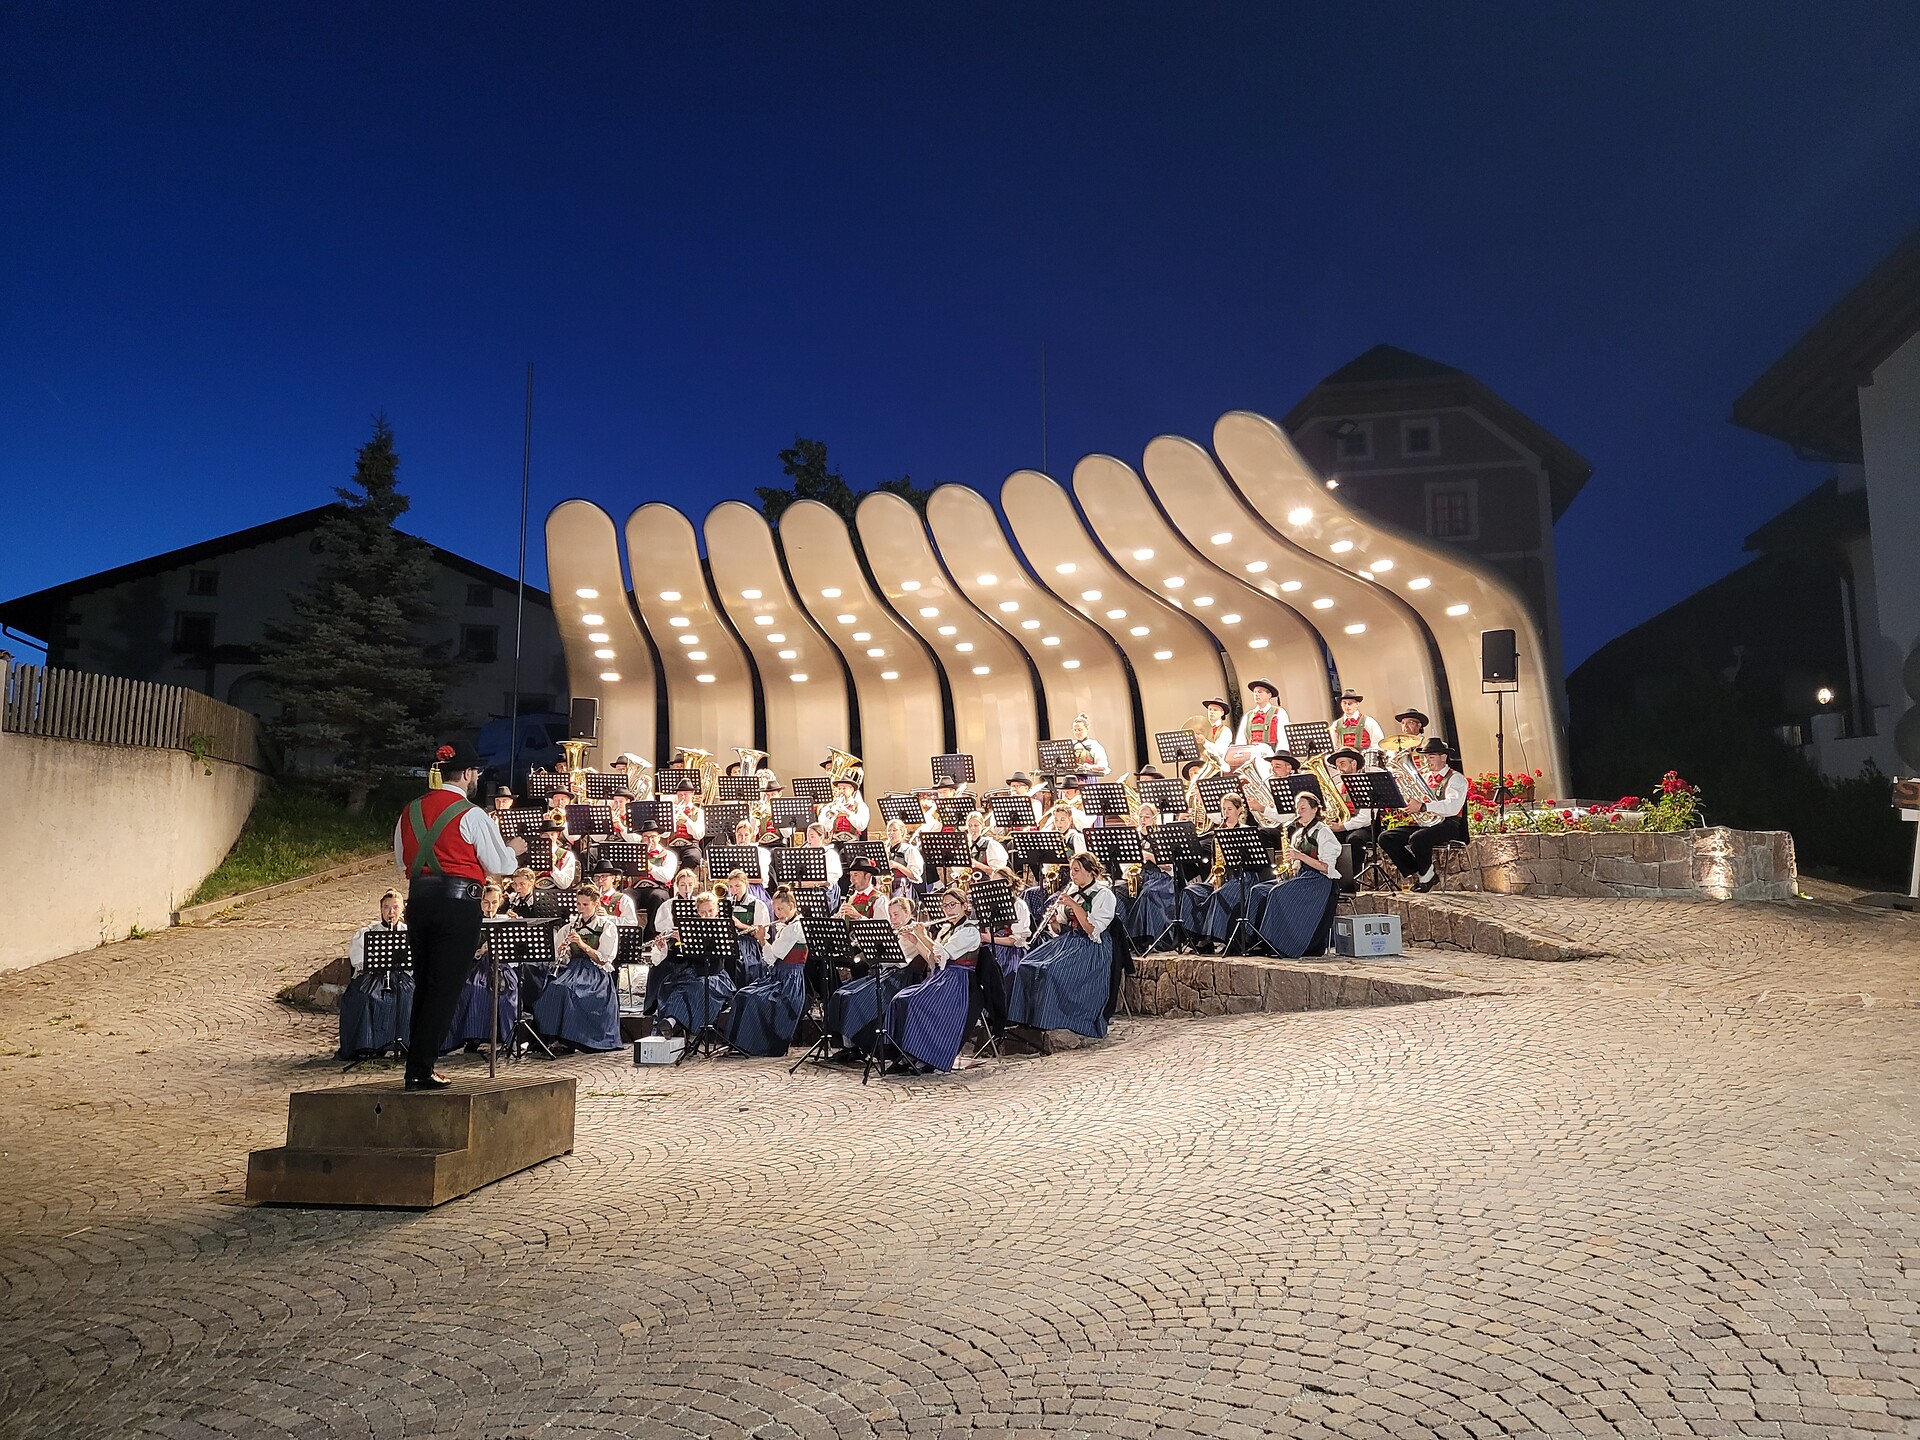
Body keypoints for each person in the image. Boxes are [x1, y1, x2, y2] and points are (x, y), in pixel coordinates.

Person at [392, 740, 520, 1089]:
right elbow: (499, 865)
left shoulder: (410, 810)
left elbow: (403, 861)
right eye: (476, 772)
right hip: (458, 906)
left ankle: (417, 1066)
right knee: (445, 988)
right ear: (466, 774)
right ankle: (420, 1069)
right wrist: (515, 849)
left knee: (426, 984)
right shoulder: (472, 814)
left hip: (419, 904)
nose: (476, 777)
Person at [1010, 854, 1124, 1040]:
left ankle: (1054, 1020)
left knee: (1050, 971)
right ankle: (1026, 1019)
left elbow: (1091, 929)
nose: (1072, 874)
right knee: (1027, 964)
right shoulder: (1072, 889)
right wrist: (1053, 922)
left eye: (1076, 870)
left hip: (1092, 947)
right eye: (1071, 870)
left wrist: (1072, 904)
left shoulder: (1104, 894)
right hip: (1069, 941)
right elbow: (1060, 929)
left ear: (1090, 871)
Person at [886, 886, 982, 1073]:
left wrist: (922, 935)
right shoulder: (946, 929)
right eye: (945, 906)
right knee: (900, 999)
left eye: (953, 905)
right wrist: (915, 940)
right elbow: (933, 960)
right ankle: (905, 1054)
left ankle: (925, 1056)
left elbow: (943, 954)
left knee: (915, 1003)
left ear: (964, 906)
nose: (949, 910)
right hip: (941, 977)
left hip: (959, 981)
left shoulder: (970, 931)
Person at [1249, 790, 1343, 957]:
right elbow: (1297, 864)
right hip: (1302, 876)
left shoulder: (1323, 832)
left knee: (1278, 892)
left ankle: (1283, 943)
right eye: (1297, 809)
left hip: (1319, 880)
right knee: (1258, 890)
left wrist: (1300, 856)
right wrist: (1293, 866)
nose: (1299, 812)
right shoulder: (1298, 834)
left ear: (1315, 809)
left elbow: (1327, 868)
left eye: (1303, 808)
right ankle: (1258, 940)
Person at [1180, 792, 1272, 954]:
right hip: (1222, 877)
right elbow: (1215, 865)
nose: (1225, 813)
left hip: (1243, 877)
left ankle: (1213, 937)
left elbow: (1257, 864)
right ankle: (1194, 936)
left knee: (1218, 895)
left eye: (1229, 809)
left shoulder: (1246, 831)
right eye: (1223, 809)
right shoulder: (1217, 834)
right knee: (1190, 891)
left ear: (1239, 810)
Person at [532, 888, 622, 1052]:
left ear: (596, 904)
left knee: (568, 991)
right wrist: (563, 951)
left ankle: (572, 1039)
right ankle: (552, 1037)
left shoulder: (606, 927)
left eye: (585, 905)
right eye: (578, 904)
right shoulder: (570, 927)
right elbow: (564, 960)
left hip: (595, 974)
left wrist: (582, 945)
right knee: (551, 987)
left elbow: (604, 959)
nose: (580, 908)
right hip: (572, 969)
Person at [724, 887, 809, 1057]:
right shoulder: (786, 926)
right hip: (778, 976)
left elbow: (775, 954)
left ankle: (758, 1045)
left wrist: (762, 939)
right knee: (742, 994)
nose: (777, 914)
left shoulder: (795, 928)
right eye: (775, 910)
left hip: (789, 982)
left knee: (754, 998)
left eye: (781, 909)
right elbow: (771, 960)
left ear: (792, 906)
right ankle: (738, 1043)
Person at [1378, 738, 1470, 893]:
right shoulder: (1425, 777)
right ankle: (1422, 872)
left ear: (1443, 757)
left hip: (1450, 824)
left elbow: (1453, 807)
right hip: (1427, 823)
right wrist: (1401, 793)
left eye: (1431, 756)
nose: (1427, 760)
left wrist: (1423, 806)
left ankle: (1425, 878)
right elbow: (1415, 802)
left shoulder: (1456, 778)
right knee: (1386, 837)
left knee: (1418, 838)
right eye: (1425, 757)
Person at [336, 888, 413, 1060]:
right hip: (373, 976)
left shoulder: (409, 933)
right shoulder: (367, 932)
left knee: (408, 995)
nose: (390, 912)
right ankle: (367, 1044)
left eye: (395, 907)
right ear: (381, 910)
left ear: (401, 911)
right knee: (363, 996)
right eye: (386, 907)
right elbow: (357, 959)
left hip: (400, 976)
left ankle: (405, 1043)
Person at [649, 890, 736, 1040]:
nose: (707, 915)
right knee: (674, 989)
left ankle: (673, 1022)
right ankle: (670, 1022)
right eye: (703, 912)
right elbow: (676, 959)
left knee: (697, 989)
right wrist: (664, 946)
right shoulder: (690, 927)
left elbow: (713, 963)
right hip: (690, 974)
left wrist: (686, 942)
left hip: (714, 976)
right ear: (697, 912)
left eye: (710, 911)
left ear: (717, 910)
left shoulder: (723, 928)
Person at [444, 883, 519, 1052]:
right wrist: (479, 951)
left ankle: (500, 1038)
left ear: (500, 902)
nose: (489, 907)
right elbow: (460, 953)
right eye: (485, 902)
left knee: (503, 992)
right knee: (472, 988)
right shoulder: (470, 922)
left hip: (501, 969)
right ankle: (474, 1036)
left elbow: (515, 955)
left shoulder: (505, 921)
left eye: (493, 902)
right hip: (475, 967)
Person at [1128, 805, 1180, 950]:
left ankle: (1146, 938)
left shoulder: (1160, 837)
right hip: (1140, 875)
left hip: (1160, 877)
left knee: (1147, 893)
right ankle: (1126, 939)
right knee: (1118, 893)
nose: (1143, 820)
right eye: (1141, 817)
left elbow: (1168, 866)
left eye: (1147, 817)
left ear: (1154, 819)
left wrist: (1150, 856)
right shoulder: (1134, 836)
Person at [1326, 747, 1375, 884]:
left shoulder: (1365, 783)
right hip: (1344, 825)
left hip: (1365, 827)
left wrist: (1341, 827)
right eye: (1337, 765)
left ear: (1353, 764)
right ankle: (1331, 879)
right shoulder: (1338, 787)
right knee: (1326, 837)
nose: (1339, 768)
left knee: (1354, 839)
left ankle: (1351, 880)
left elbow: (1366, 818)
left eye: (1342, 763)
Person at [724, 870, 770, 981]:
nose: (734, 890)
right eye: (731, 887)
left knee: (742, 969)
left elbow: (761, 933)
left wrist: (740, 925)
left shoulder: (757, 904)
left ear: (746, 884)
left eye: (737, 886)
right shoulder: (727, 903)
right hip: (729, 943)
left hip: (748, 945)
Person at [667, 779, 706, 873]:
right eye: (680, 795)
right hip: (673, 845)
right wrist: (670, 821)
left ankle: (678, 882)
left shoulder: (699, 812)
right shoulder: (670, 810)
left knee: (692, 858)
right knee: (665, 859)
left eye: (685, 794)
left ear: (692, 793)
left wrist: (687, 820)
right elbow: (664, 835)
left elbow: (699, 835)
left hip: (691, 845)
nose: (682, 797)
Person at [1237, 680, 1289, 750]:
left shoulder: (1279, 713)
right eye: (1255, 692)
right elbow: (1241, 740)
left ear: (1269, 695)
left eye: (1260, 692)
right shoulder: (1248, 716)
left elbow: (1283, 739)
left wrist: (1278, 758)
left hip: (1271, 755)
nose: (1256, 694)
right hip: (1251, 756)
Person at [1332, 688, 1386, 756]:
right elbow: (1333, 746)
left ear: (1357, 704)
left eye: (1350, 703)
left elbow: (1378, 744)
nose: (1347, 706)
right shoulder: (1336, 725)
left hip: (1364, 759)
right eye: (1344, 703)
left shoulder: (1368, 722)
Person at [820, 769, 870, 840]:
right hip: (835, 841)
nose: (841, 791)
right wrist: (831, 816)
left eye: (844, 788)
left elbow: (861, 826)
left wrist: (847, 813)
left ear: (852, 789)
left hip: (853, 842)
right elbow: (825, 827)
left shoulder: (861, 806)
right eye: (839, 788)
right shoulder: (831, 806)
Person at [884, 817, 925, 899]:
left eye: (894, 830)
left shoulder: (909, 850)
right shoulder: (886, 850)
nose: (891, 833)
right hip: (888, 891)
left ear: (902, 832)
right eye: (889, 830)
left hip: (904, 890)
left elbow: (915, 876)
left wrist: (897, 865)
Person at [1067, 713, 1109, 778]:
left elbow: (1103, 766)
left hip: (1089, 780)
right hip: (1071, 781)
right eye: (1075, 730)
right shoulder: (1070, 745)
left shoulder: (1094, 745)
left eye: (1080, 730)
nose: (1077, 733)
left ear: (1087, 729)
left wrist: (1089, 767)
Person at [1197, 697, 1234, 766]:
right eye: (1210, 709)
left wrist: (1204, 742)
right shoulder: (1201, 729)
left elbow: (1219, 750)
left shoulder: (1225, 731)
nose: (1211, 712)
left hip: (1217, 766)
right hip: (1201, 765)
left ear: (1222, 713)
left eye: (1215, 710)